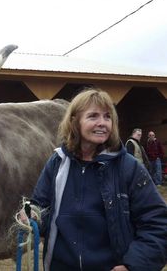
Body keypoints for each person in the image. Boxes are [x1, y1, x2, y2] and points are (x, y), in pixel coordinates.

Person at [22, 88, 167, 271]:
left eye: (107, 117)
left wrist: (133, 265)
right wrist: (32, 215)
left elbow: (158, 225)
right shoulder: (57, 162)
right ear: (75, 122)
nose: (102, 123)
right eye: (93, 116)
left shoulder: (129, 167)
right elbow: (40, 206)